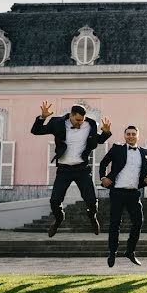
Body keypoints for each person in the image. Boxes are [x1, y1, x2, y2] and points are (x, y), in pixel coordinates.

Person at [30, 101, 111, 237]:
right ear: (71, 115)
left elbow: (99, 140)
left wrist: (106, 133)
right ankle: (59, 219)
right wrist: (42, 118)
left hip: (82, 169)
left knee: (91, 200)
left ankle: (92, 217)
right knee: (55, 201)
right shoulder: (57, 123)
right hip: (64, 169)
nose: (80, 123)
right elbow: (36, 131)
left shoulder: (90, 125)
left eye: (82, 120)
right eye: (77, 120)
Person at [98, 125, 147, 267]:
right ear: (124, 136)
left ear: (138, 135)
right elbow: (103, 163)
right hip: (117, 191)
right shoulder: (117, 149)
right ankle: (112, 253)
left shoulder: (144, 152)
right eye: (128, 134)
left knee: (138, 222)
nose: (131, 136)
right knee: (115, 224)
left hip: (134, 193)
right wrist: (103, 178)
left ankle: (130, 251)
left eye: (133, 134)